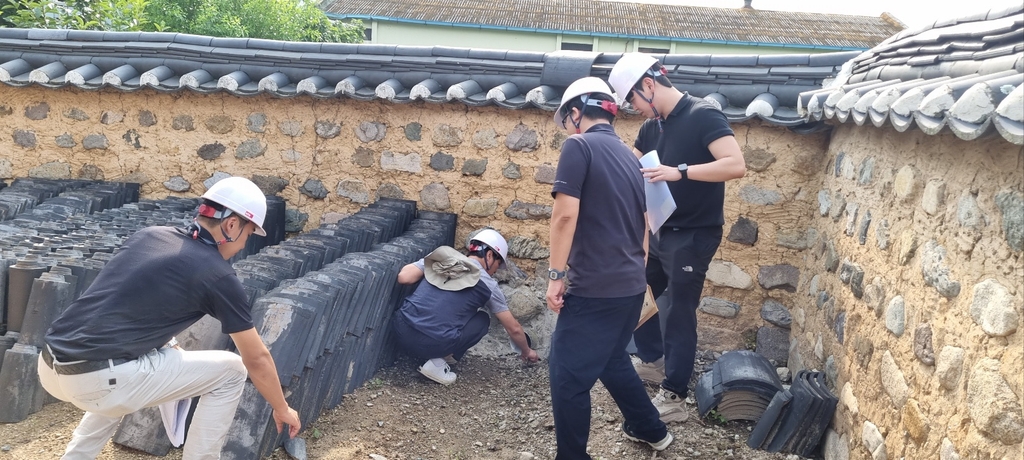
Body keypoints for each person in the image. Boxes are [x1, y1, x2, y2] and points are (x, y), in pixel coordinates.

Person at [37, 176, 301, 459]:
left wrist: (167, 343)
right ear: (232, 225)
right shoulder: (218, 276)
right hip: (99, 382)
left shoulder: (150, 236)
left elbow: (121, 306)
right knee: (233, 370)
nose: (242, 246)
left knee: (120, 370)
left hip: (51, 366)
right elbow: (257, 358)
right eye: (248, 236)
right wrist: (281, 408)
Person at [609, 53, 746, 423]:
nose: (633, 108)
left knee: (680, 312)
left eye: (633, 100)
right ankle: (653, 362)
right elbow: (630, 168)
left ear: (649, 86)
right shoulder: (652, 127)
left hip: (695, 234)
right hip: (659, 229)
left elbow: (735, 165)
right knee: (642, 291)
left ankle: (674, 396)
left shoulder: (703, 114)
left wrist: (679, 172)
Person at [545, 76, 673, 459]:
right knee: (612, 359)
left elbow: (565, 216)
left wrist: (555, 277)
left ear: (575, 113)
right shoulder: (629, 157)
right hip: (630, 287)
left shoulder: (578, 146)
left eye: (567, 119)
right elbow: (647, 224)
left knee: (567, 377)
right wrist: (637, 269)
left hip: (594, 289)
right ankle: (652, 429)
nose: (568, 127)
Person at [392, 228, 539, 385]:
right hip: (432, 344)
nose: (495, 271)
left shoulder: (441, 259)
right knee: (482, 319)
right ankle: (437, 363)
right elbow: (513, 328)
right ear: (489, 255)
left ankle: (430, 353)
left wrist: (427, 266)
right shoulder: (488, 284)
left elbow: (404, 277)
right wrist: (526, 351)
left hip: (400, 331)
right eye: (497, 264)